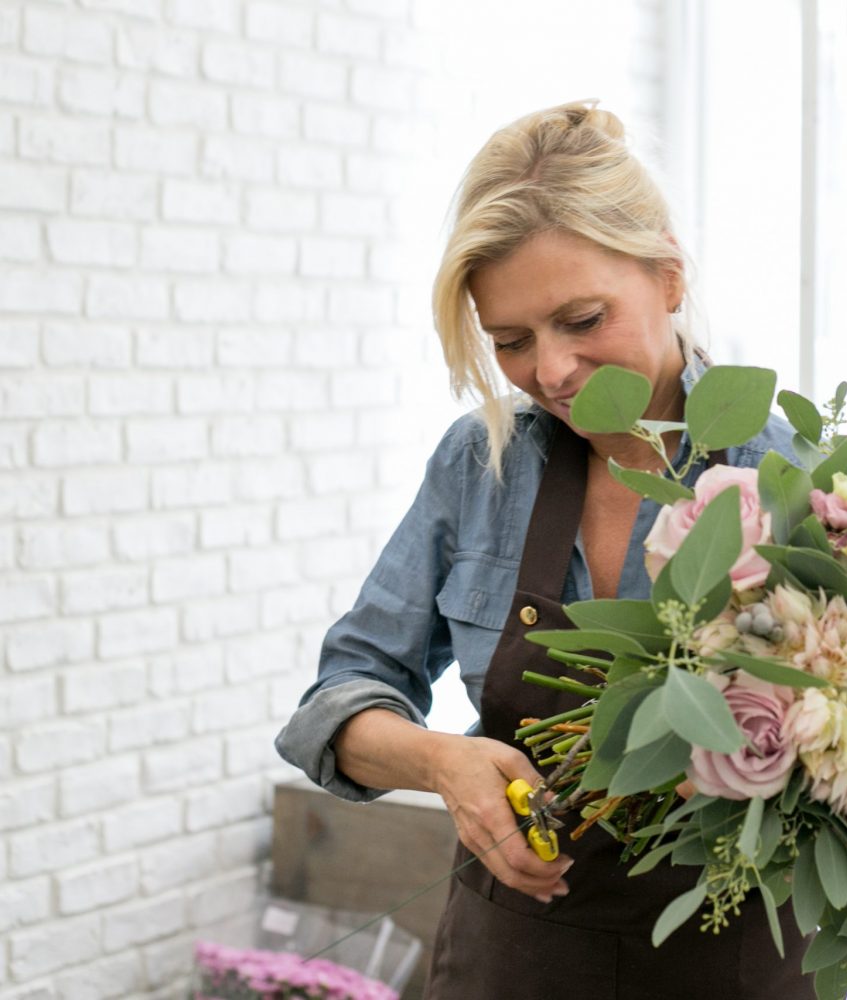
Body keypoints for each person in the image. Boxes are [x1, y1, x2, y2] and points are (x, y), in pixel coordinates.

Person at [276, 101, 812, 999]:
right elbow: (333, 707)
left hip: (732, 958)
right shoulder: (478, 468)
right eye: (512, 342)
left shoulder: (799, 480)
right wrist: (445, 764)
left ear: (669, 279)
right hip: (513, 960)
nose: (553, 373)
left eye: (583, 319)